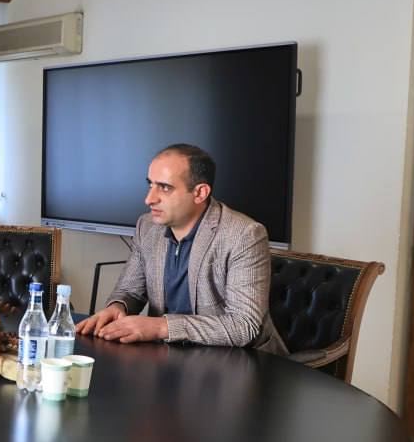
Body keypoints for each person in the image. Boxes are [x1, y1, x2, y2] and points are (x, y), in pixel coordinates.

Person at [76, 143, 287, 353]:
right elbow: (130, 290)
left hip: (240, 359)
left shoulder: (244, 234)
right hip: (167, 354)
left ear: (200, 193)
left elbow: (244, 326)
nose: (149, 199)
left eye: (165, 187)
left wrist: (162, 327)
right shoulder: (147, 226)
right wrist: (118, 307)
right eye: (150, 185)